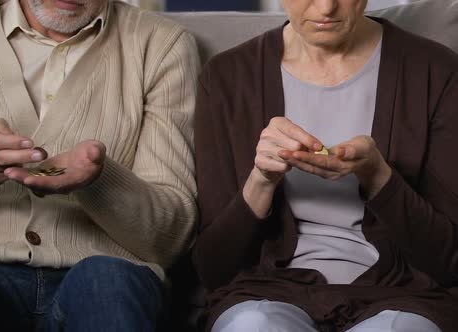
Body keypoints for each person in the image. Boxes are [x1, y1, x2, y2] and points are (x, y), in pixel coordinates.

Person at [0, 0, 200, 331]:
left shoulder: (162, 45)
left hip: (101, 280)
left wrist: (99, 182)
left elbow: (170, 241)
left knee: (108, 279)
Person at [192, 0, 458, 331]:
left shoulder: (436, 70)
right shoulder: (225, 79)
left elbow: (449, 262)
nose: (326, 7)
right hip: (266, 291)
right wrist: (260, 180)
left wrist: (378, 177)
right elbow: (212, 269)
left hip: (403, 295)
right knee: (252, 325)